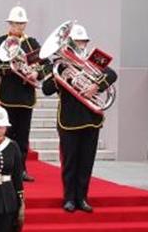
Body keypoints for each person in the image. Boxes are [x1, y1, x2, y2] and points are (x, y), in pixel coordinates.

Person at [41, 23, 117, 212]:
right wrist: (57, 75)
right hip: (69, 118)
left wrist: (96, 87)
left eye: (83, 41)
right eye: (76, 41)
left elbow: (112, 74)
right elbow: (46, 89)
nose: (80, 45)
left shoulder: (94, 58)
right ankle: (69, 198)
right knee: (70, 161)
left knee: (86, 161)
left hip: (91, 118)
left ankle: (82, 197)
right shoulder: (59, 63)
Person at [0, 7, 42, 181]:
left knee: (23, 138)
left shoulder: (32, 43)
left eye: (21, 23)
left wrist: (36, 73)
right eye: (15, 23)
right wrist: (11, 69)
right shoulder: (0, 42)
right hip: (8, 96)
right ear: (9, 24)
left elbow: (44, 65)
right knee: (6, 135)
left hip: (26, 97)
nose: (18, 26)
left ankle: (21, 169)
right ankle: (6, 168)